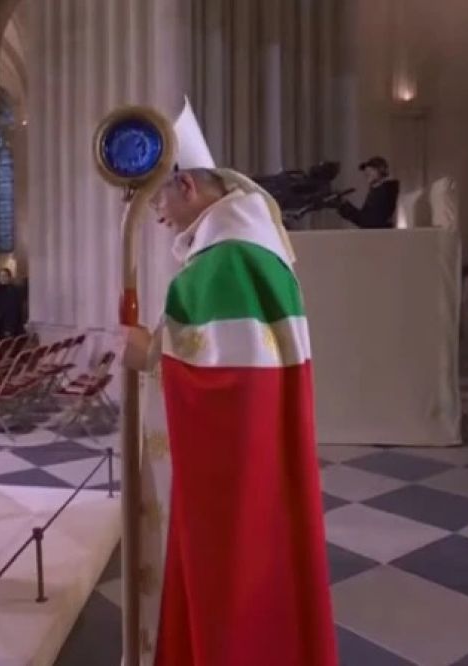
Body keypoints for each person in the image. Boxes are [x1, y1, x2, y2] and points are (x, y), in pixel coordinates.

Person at [123, 162, 337, 665]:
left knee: (230, 574)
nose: (157, 215)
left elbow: (221, 384)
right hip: (260, 452)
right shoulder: (253, 249)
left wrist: (146, 353)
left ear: (189, 186)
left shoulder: (227, 261)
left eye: (158, 201)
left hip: (229, 468)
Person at [337, 156, 400, 229]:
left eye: (372, 170)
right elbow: (366, 220)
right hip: (375, 236)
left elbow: (369, 222)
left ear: (382, 170)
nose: (367, 172)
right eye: (366, 171)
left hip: (378, 237)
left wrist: (344, 206)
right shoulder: (378, 191)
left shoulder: (384, 193)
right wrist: (344, 205)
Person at [0, 268, 24, 338]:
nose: (2, 278)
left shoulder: (14, 291)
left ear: (9, 277)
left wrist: (9, 328)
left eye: (5, 276)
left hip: (11, 326)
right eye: (0, 276)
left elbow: (14, 311)